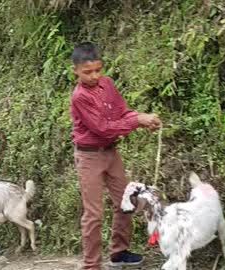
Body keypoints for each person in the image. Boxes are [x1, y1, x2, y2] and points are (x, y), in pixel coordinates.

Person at [69, 42, 162, 269]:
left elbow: (123, 112)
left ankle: (119, 253)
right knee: (94, 214)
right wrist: (136, 120)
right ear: (75, 71)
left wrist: (143, 119)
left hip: (111, 153)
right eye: (87, 72)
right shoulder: (79, 97)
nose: (94, 76)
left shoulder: (108, 84)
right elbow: (102, 127)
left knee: (126, 201)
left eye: (98, 70)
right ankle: (92, 265)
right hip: (89, 157)